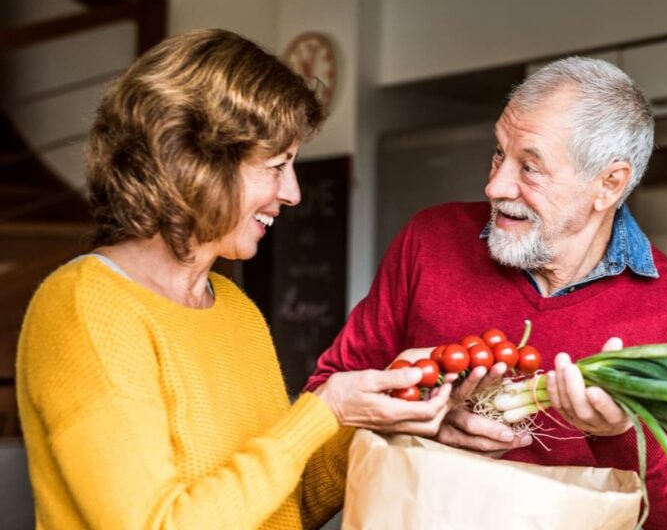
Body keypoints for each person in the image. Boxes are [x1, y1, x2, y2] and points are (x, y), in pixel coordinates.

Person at [15, 29, 451, 530]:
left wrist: (374, 416)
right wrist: (322, 410)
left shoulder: (233, 307)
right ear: (196, 163)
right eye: (276, 166)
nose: (293, 193)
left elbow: (289, 506)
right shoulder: (85, 306)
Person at [305, 57, 667, 529]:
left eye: (530, 167)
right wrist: (420, 418)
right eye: (498, 154)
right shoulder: (430, 241)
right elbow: (323, 406)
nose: (495, 185)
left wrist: (618, 435)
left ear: (608, 185)